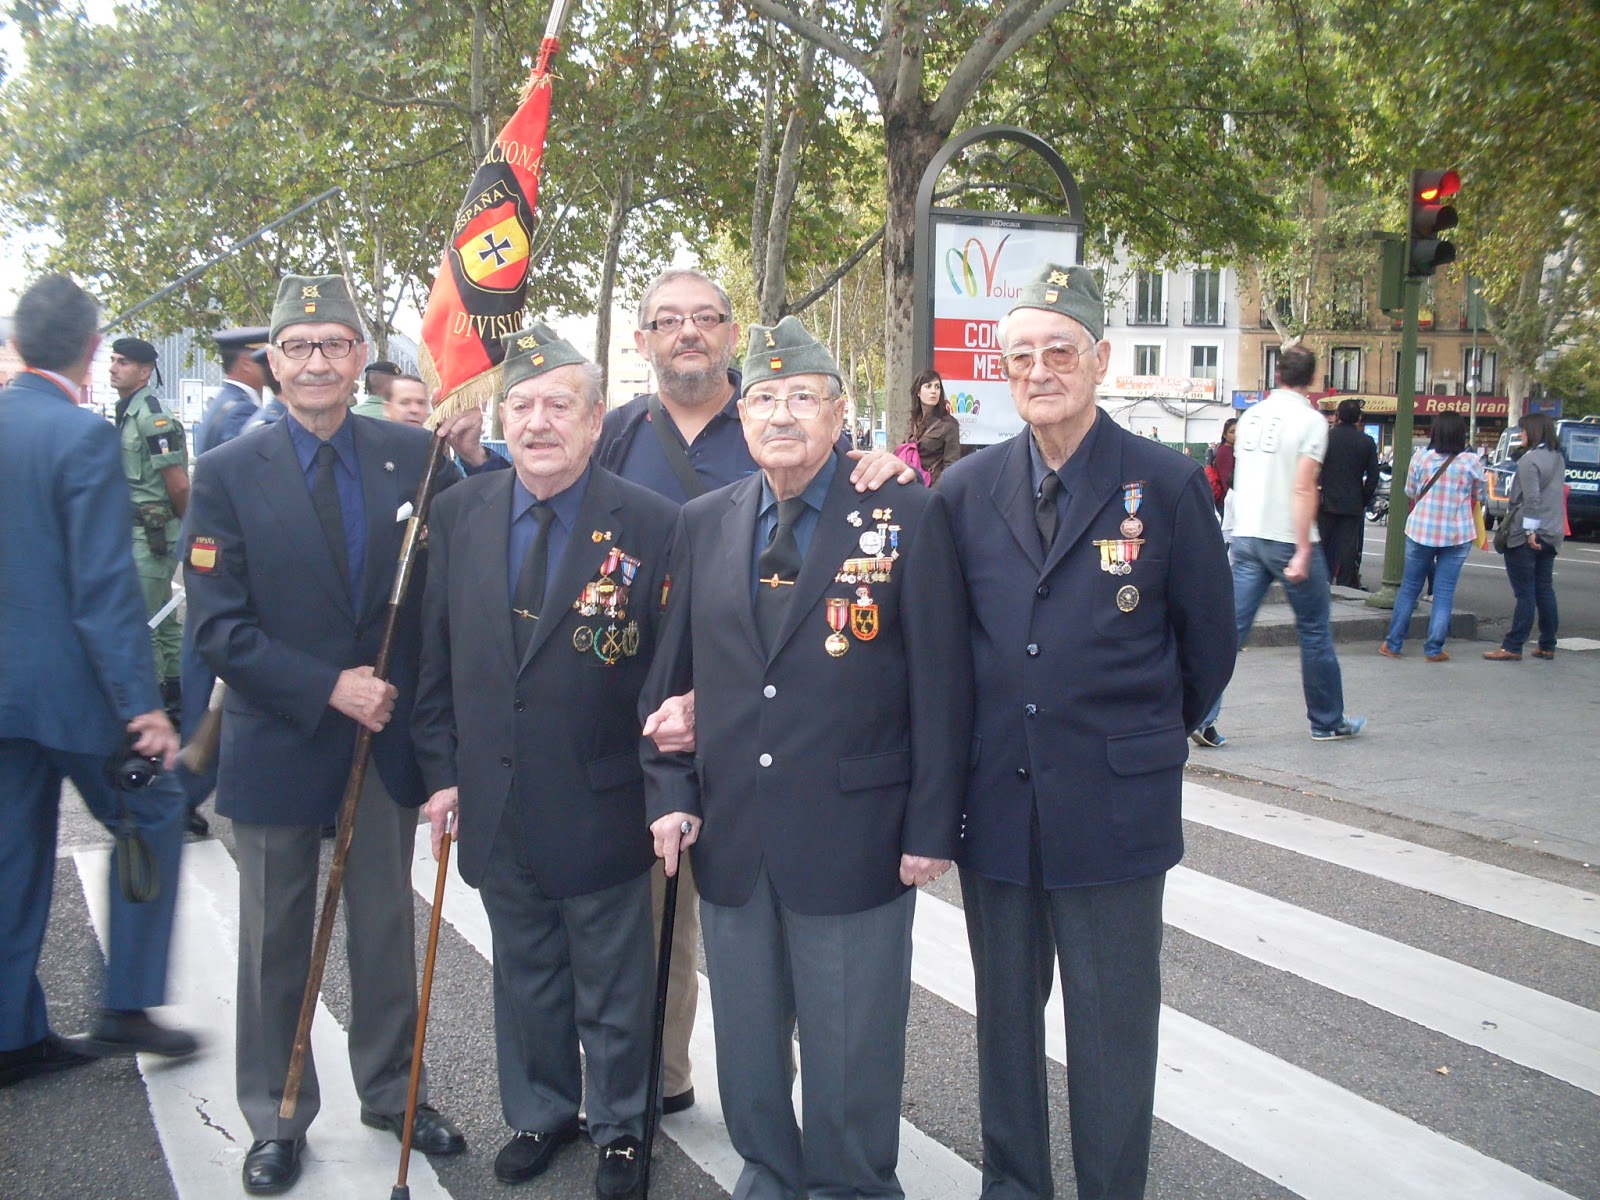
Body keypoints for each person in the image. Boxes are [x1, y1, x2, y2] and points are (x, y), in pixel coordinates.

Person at [439, 267, 915, 1118]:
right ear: (643, 341)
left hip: (780, 743)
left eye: (703, 319)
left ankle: (756, 1109)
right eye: (667, 321)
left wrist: (880, 463)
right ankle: (657, 1090)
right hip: (653, 743)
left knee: (793, 948)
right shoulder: (617, 429)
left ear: (732, 334)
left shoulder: (776, 414)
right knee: (666, 940)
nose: (686, 333)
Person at [641, 316, 972, 1200]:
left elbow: (942, 682)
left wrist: (933, 825)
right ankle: (768, 1170)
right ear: (740, 417)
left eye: (801, 398)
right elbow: (670, 685)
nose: (779, 415)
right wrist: (671, 792)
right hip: (736, 836)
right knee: (748, 1036)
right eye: (762, 400)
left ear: (839, 415)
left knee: (853, 1039)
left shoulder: (905, 511)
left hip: (857, 829)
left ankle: (855, 1183)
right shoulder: (704, 523)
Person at [939, 265, 1234, 1200]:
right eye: (1019, 354)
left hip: (1114, 808)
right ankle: (1013, 1187)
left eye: (1059, 350)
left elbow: (1208, 651)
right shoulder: (964, 488)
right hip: (998, 807)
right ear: (1002, 371)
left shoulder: (1169, 484)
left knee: (1112, 1030)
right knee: (1005, 1028)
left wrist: (1134, 739)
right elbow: (950, 650)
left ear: (1100, 360)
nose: (1039, 369)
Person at [183, 273, 465, 1195]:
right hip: (278, 733)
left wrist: (476, 449)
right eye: (297, 345)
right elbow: (216, 629)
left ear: (358, 359)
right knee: (275, 936)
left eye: (334, 344)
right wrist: (325, 687)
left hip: (380, 743)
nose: (315, 361)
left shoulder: (410, 455)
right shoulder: (227, 470)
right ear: (272, 360)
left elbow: (469, 544)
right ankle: (276, 1110)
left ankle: (391, 1089)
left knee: (383, 927)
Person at [414, 324, 675, 1196]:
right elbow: (433, 660)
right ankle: (540, 1111)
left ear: (595, 420)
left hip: (601, 795)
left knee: (612, 981)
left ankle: (622, 1129)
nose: (536, 422)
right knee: (524, 975)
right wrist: (442, 772)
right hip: (494, 794)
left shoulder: (649, 522)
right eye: (519, 405)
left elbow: (665, 672)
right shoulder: (458, 514)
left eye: (558, 404)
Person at [1, 274, 197, 1089]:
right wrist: (143, 708)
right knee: (154, 809)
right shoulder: (81, 438)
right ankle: (127, 1002)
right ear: (89, 349)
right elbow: (104, 592)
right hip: (70, 694)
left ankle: (11, 1034)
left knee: (11, 856)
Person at [1195, 345, 1364, 747]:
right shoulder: (1310, 421)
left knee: (1229, 633)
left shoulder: (1250, 417)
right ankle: (1326, 719)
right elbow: (1304, 485)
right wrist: (1304, 547)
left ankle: (1202, 715)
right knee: (1314, 630)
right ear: (1312, 380)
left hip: (1247, 534)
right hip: (1287, 536)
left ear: (1276, 374)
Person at [109, 335, 188, 719]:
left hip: (153, 535)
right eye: (113, 360)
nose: (113, 367)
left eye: (122, 362)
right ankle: (176, 696)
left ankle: (151, 706)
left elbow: (178, 482)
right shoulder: (127, 410)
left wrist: (188, 529)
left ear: (144, 371)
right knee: (162, 620)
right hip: (135, 531)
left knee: (142, 623)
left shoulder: (152, 416)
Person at [1379, 411, 1486, 664]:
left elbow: (1410, 490)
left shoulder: (1422, 458)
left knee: (1409, 589)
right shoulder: (1471, 462)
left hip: (1421, 531)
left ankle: (1393, 643)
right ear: (1461, 434)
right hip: (1457, 533)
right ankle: (1434, 648)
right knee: (1444, 591)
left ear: (1435, 432)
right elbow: (1478, 494)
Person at [1485, 411, 1567, 661]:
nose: (1520, 435)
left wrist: (1530, 530)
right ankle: (1547, 643)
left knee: (1525, 593)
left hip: (1525, 533)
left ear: (1532, 432)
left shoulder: (1528, 460)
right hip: (1553, 531)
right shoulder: (1557, 458)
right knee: (1544, 589)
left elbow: (1531, 498)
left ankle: (1513, 644)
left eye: (1522, 430)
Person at [1317, 397, 1381, 587]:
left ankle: (1321, 582)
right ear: (1358, 419)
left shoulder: (1326, 438)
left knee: (1322, 544)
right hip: (1353, 502)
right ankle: (1344, 586)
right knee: (1347, 549)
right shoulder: (1366, 441)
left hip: (1326, 500)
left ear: (1337, 416)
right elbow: (1373, 476)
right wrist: (1363, 499)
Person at [194, 326, 270, 454]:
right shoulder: (241, 411)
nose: (272, 365)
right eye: (265, 359)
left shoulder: (225, 400)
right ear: (246, 363)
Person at [903, 368, 961, 485]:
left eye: (937, 387)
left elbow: (951, 466)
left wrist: (933, 493)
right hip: (910, 485)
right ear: (918, 392)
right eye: (928, 386)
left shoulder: (948, 425)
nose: (933, 391)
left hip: (931, 488)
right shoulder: (913, 422)